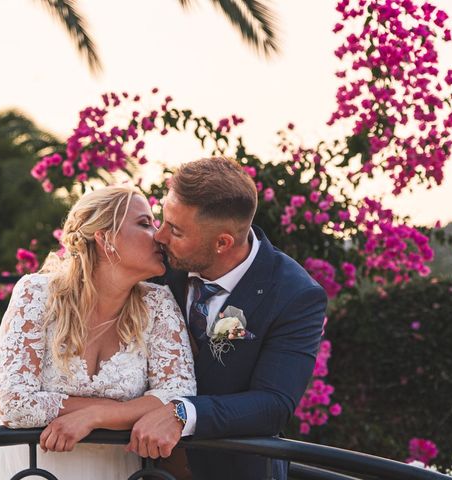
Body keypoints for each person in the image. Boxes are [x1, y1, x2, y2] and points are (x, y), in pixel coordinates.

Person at [0, 185, 197, 480]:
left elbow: (178, 395)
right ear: (105, 238)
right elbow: (15, 402)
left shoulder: (159, 304)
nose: (157, 235)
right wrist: (125, 409)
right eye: (144, 223)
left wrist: (95, 417)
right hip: (28, 461)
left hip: (113, 466)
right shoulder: (37, 294)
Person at [125, 157, 328, 480]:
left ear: (223, 243)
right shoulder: (156, 266)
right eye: (162, 220)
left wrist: (183, 413)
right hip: (140, 469)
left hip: (234, 471)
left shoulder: (295, 294)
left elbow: (273, 404)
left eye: (175, 230)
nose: (159, 236)